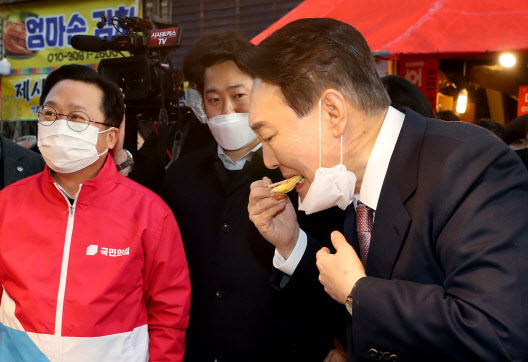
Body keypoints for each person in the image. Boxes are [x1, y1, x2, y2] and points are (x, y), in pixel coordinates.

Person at [246, 18, 528, 361]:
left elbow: (498, 334)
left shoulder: (468, 164)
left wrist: (358, 292)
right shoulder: (355, 191)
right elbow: (359, 320)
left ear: (333, 113)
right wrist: (292, 244)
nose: (268, 160)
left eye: (270, 136)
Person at [162, 32, 342, 362]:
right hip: (198, 349)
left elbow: (330, 266)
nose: (227, 109)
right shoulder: (179, 176)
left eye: (239, 95)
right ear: (202, 104)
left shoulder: (300, 174)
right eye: (214, 99)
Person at [0, 64, 191, 361]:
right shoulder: (7, 203)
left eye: (77, 117)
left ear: (111, 137)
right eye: (50, 113)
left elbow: (170, 313)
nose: (59, 125)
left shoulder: (150, 213)